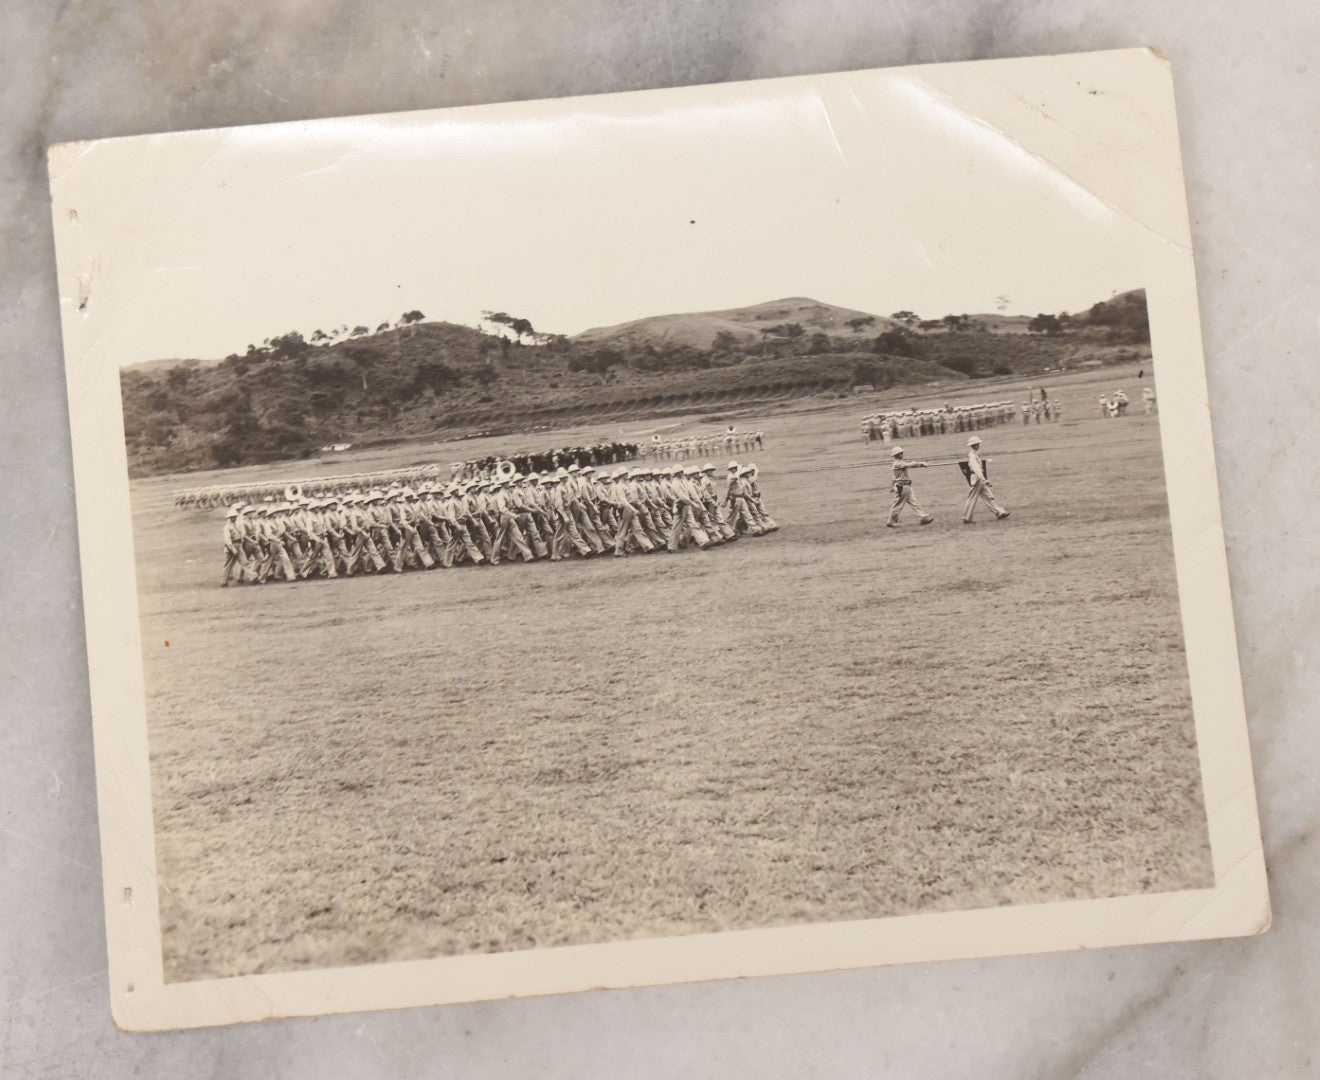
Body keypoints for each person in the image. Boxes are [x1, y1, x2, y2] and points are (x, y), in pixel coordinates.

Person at [963, 436, 1009, 524]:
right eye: (976, 444)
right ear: (973, 445)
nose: (978, 445)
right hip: (977, 479)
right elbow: (976, 469)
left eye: (978, 443)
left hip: (980, 479)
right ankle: (966, 517)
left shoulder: (975, 454)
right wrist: (984, 479)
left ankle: (999, 512)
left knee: (989, 496)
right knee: (972, 498)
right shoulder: (972, 456)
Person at [886, 446, 934, 528]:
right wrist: (921, 464)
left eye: (902, 453)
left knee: (914, 503)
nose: (902, 454)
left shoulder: (899, 462)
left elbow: (894, 477)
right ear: (896, 455)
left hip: (907, 486)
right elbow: (908, 465)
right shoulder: (898, 463)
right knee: (897, 505)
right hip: (902, 487)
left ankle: (923, 518)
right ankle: (890, 521)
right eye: (900, 453)